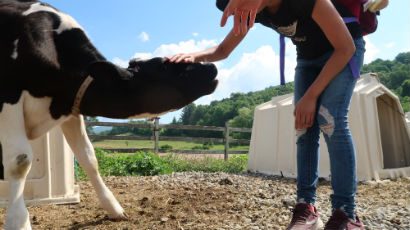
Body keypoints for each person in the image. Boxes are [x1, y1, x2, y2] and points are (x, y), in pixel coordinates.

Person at [169, 0, 388, 229]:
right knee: (303, 128)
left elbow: (346, 49)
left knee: (329, 118)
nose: (239, 15)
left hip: (341, 51)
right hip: (307, 59)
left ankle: (346, 214)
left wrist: (311, 97)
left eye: (238, 5)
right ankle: (306, 208)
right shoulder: (253, 10)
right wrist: (193, 56)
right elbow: (222, 50)